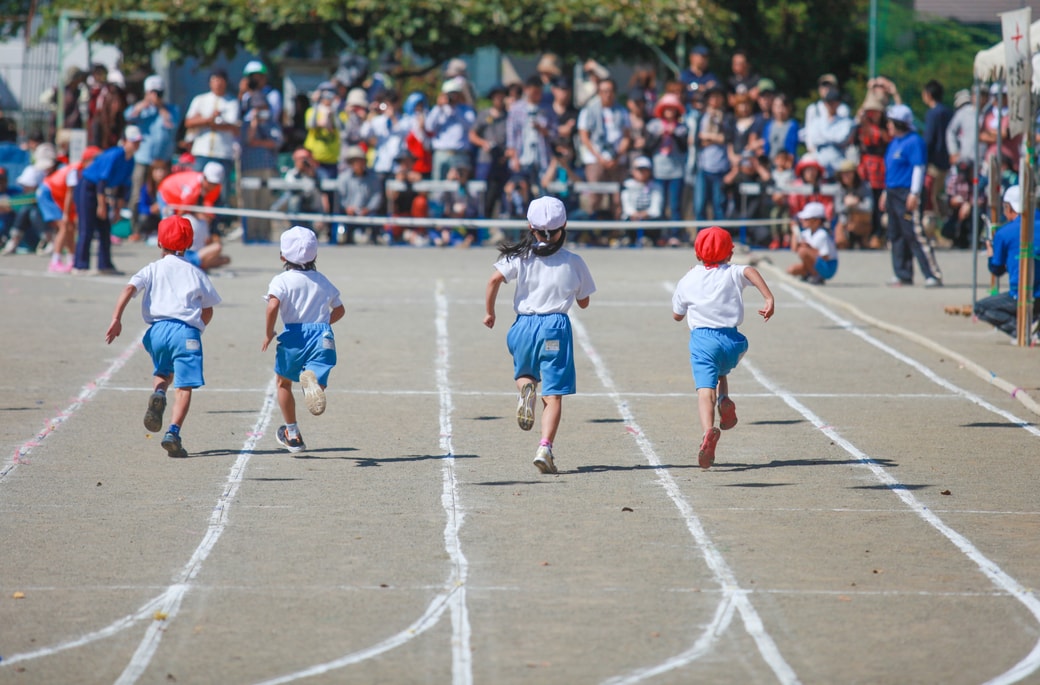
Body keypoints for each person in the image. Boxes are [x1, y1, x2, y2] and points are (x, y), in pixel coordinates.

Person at [483, 196, 596, 474]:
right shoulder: (573, 261)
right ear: (564, 226)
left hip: (522, 326)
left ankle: (526, 392)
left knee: (525, 374)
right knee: (554, 394)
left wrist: (490, 313)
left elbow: (494, 279)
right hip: (555, 327)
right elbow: (584, 301)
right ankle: (545, 447)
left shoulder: (519, 256)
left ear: (530, 226)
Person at [104, 215, 222, 458]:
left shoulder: (152, 269)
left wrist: (117, 318)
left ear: (159, 243)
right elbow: (208, 308)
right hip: (185, 331)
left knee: (162, 373)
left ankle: (158, 394)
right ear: (189, 244)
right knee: (184, 386)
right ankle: (173, 432)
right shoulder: (195, 272)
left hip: (156, 332)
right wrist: (197, 328)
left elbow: (129, 289)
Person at [671, 226, 774, 469]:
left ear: (697, 254)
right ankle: (725, 398)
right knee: (721, 372)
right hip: (733, 343)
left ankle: (708, 431)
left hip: (703, 341)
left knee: (705, 390)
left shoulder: (689, 278)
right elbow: (750, 270)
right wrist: (768, 297)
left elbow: (677, 315)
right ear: (730, 254)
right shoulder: (732, 272)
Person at [263, 226, 345, 452]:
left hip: (294, 335)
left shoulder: (282, 280)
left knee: (283, 383)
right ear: (315, 255)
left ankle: (292, 433)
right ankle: (315, 384)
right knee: (318, 373)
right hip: (322, 335)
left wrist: (269, 332)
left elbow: (273, 306)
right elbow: (340, 310)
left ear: (282, 256)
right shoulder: (322, 280)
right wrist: (323, 324)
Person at [882, 104, 943, 287]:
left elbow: (918, 167)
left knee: (915, 233)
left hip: (907, 192)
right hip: (893, 191)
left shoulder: (914, 141)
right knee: (896, 233)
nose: (888, 126)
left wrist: (915, 192)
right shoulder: (894, 143)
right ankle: (902, 273)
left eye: (891, 122)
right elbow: (891, 170)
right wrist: (886, 192)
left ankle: (932, 274)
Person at [73, 126, 142, 274]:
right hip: (88, 188)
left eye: (138, 142)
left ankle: (104, 265)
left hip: (101, 192)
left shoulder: (131, 161)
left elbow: (123, 187)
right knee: (87, 228)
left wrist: (117, 210)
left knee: (105, 229)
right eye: (133, 141)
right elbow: (101, 181)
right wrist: (101, 205)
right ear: (124, 141)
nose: (137, 145)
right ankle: (80, 265)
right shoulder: (115, 155)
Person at [974, 186, 1040, 341]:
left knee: (980, 308)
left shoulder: (1005, 233)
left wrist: (990, 251)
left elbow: (996, 269)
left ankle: (1019, 330)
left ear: (1009, 207)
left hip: (1021, 294)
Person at [125, 74, 181, 241]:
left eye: (159, 93)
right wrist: (144, 104)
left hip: (163, 159)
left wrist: (161, 108)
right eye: (153, 92)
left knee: (165, 195)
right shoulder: (142, 110)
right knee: (137, 194)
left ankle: (165, 230)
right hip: (143, 158)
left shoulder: (171, 110)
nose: (156, 96)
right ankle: (135, 229)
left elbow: (173, 124)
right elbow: (128, 117)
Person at [577, 78, 631, 218]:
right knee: (595, 196)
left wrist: (617, 157)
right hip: (595, 158)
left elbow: (626, 136)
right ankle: (592, 231)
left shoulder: (622, 111)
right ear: (599, 92)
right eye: (604, 91)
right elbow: (584, 137)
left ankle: (615, 232)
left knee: (617, 198)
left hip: (616, 159)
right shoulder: (588, 110)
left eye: (610, 91)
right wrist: (599, 158)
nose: (608, 94)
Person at [425, 78, 476, 181]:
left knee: (459, 189)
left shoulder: (466, 109)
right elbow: (429, 127)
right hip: (441, 153)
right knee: (438, 187)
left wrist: (456, 109)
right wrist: (439, 107)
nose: (453, 97)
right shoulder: (438, 110)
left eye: (455, 94)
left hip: (460, 154)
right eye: (450, 94)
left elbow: (471, 126)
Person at [921, 80, 953, 239]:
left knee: (931, 196)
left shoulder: (932, 113)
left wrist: (923, 157)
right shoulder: (948, 112)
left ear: (928, 95)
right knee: (941, 195)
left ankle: (938, 232)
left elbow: (929, 138)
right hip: (948, 160)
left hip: (934, 162)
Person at [787, 201, 838, 284]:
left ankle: (816, 276)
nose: (803, 220)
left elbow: (826, 256)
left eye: (806, 219)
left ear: (816, 221)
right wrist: (794, 230)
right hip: (818, 263)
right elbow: (794, 248)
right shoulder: (807, 233)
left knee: (803, 251)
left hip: (828, 266)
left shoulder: (822, 234)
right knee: (791, 270)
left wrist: (809, 248)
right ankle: (809, 273)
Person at [833, 159, 874, 249]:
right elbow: (838, 208)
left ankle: (865, 239)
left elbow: (869, 207)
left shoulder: (864, 186)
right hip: (845, 222)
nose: (846, 176)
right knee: (840, 241)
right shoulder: (839, 188)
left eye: (849, 173)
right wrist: (848, 205)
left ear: (854, 174)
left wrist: (856, 204)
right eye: (843, 174)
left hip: (861, 221)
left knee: (872, 243)